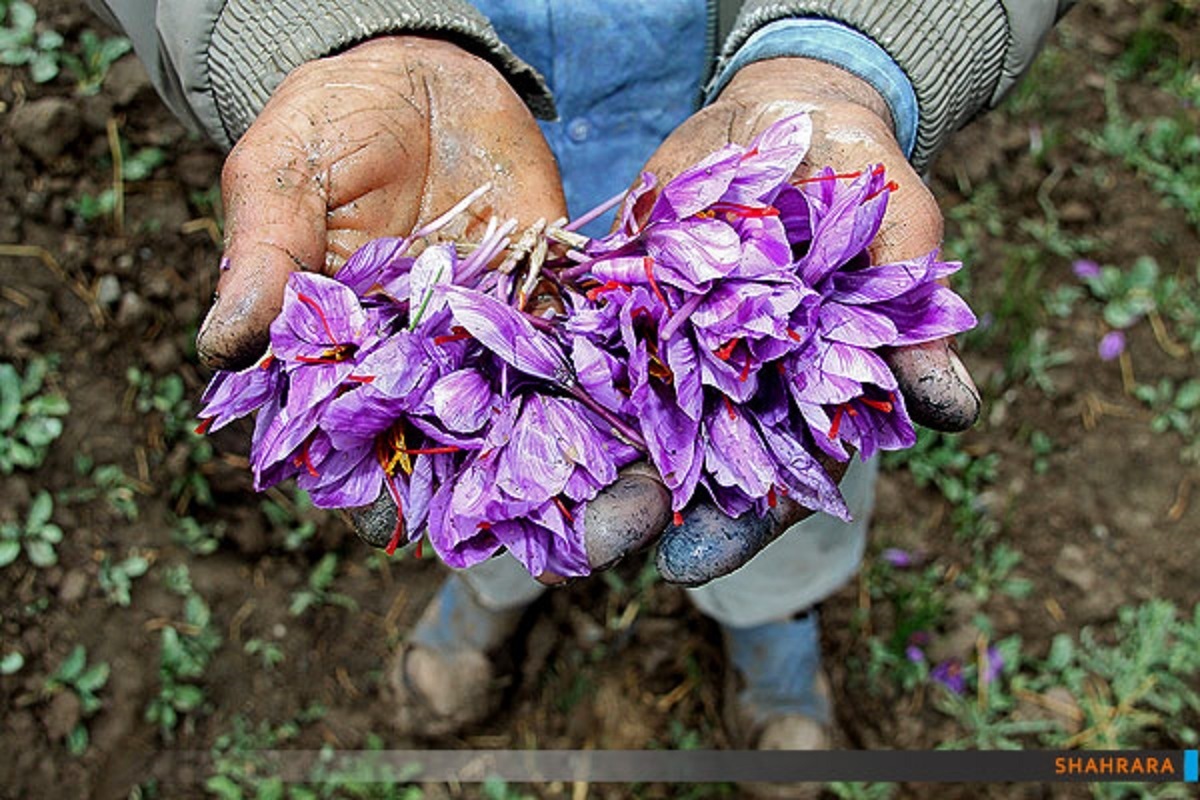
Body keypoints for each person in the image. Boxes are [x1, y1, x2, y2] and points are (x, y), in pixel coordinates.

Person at [90, 0, 1074, 751]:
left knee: (770, 458)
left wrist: (848, 48)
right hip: (447, 182)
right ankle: (499, 581)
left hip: (733, 150)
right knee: (494, 471)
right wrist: (324, 28)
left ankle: (771, 617)